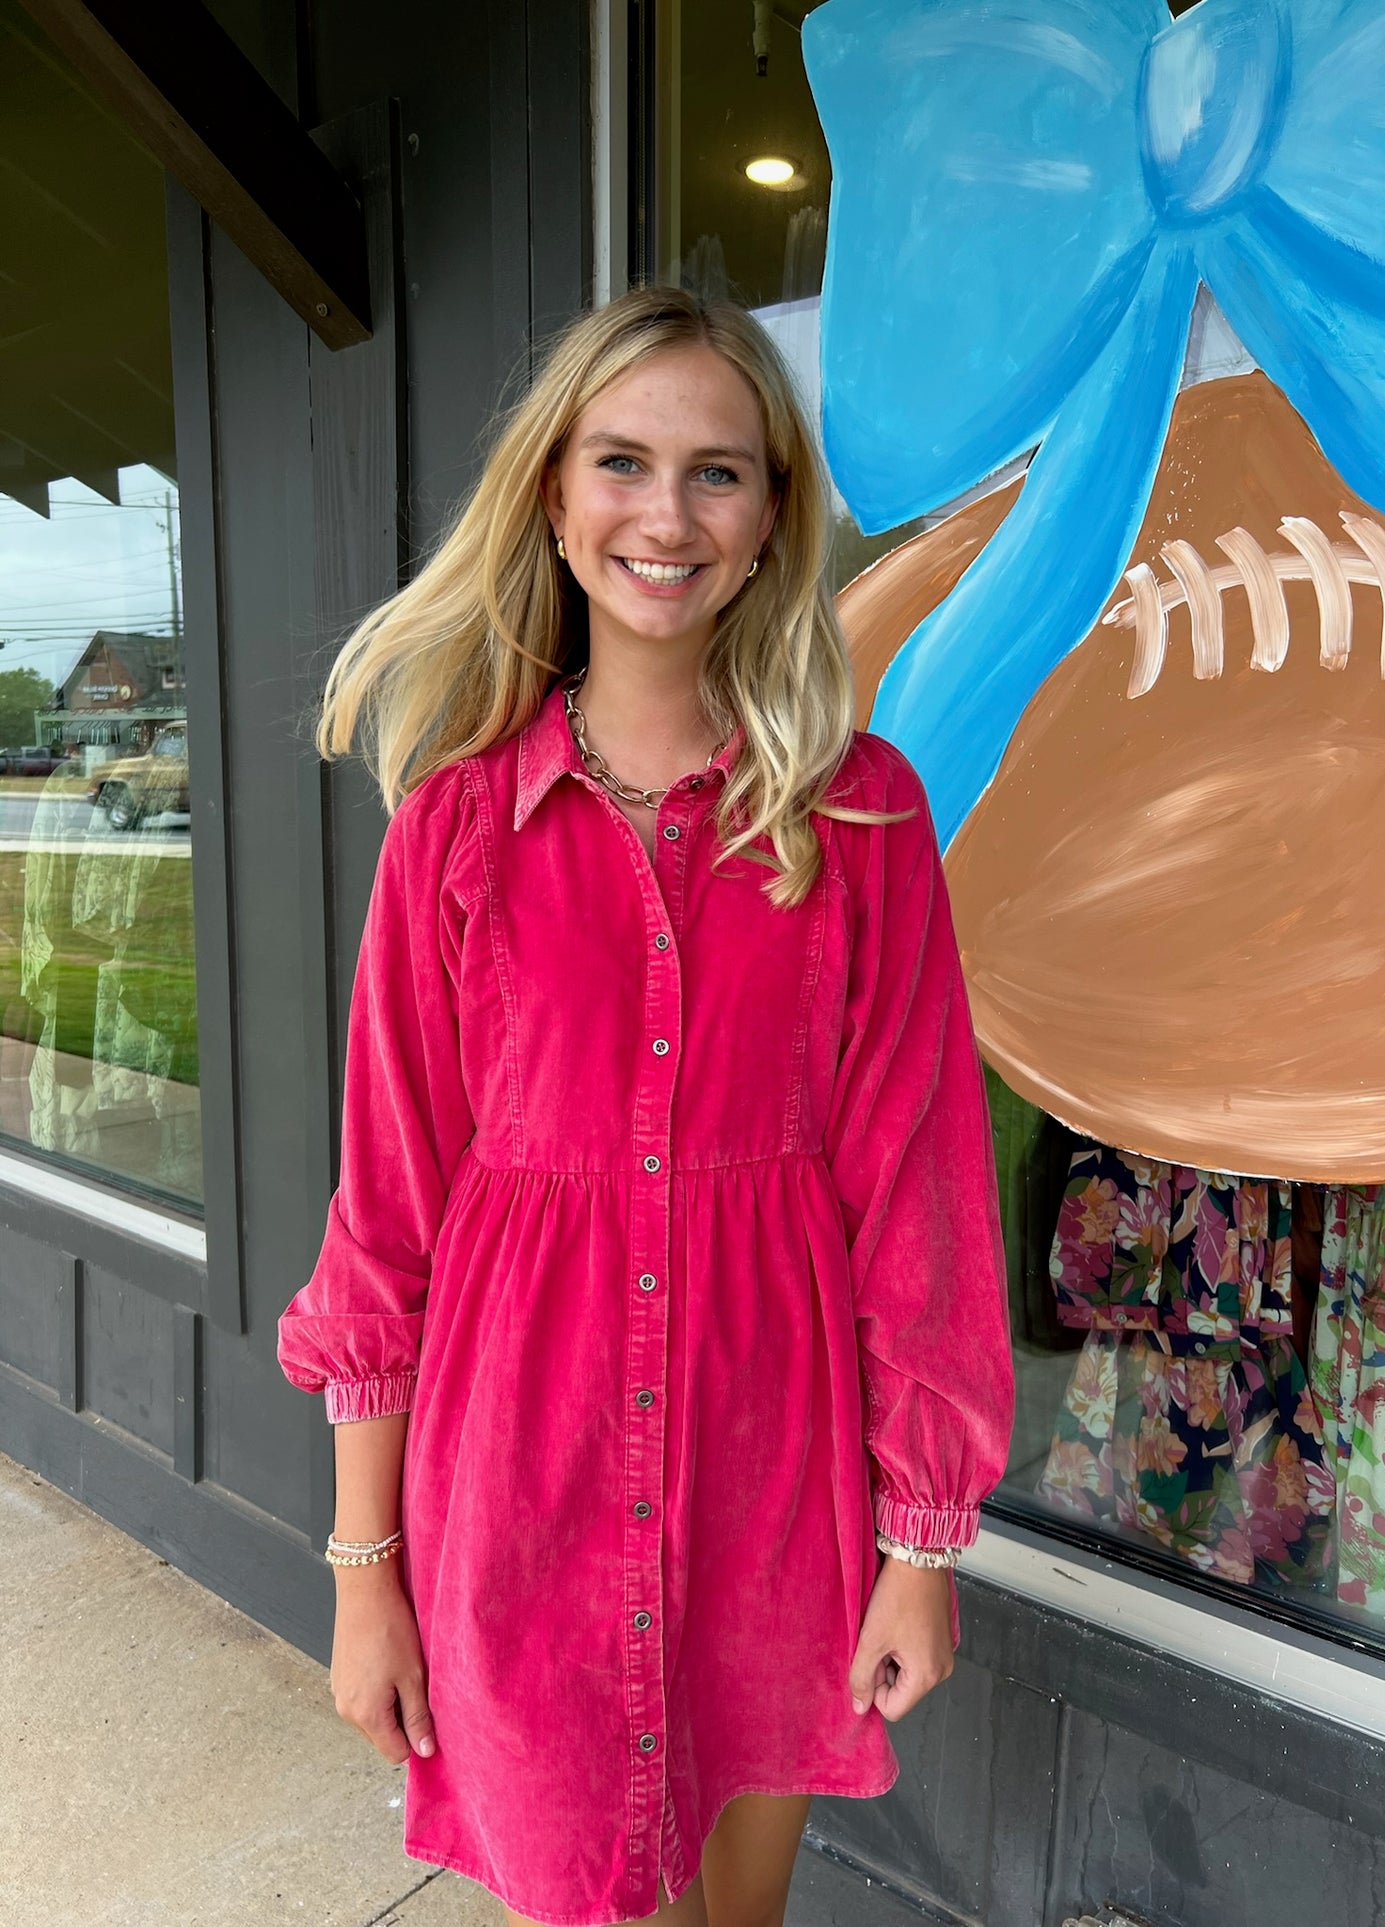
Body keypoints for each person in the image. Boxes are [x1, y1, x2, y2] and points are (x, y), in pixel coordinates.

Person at [276, 286, 1013, 1927]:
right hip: (514, 1489)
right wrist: (361, 1573)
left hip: (777, 1488)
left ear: (767, 525)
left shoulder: (860, 817)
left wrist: (921, 1542)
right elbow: (384, 1225)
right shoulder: (457, 829)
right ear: (552, 497)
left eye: (718, 474)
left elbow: (921, 1199)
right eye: (621, 461)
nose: (665, 516)